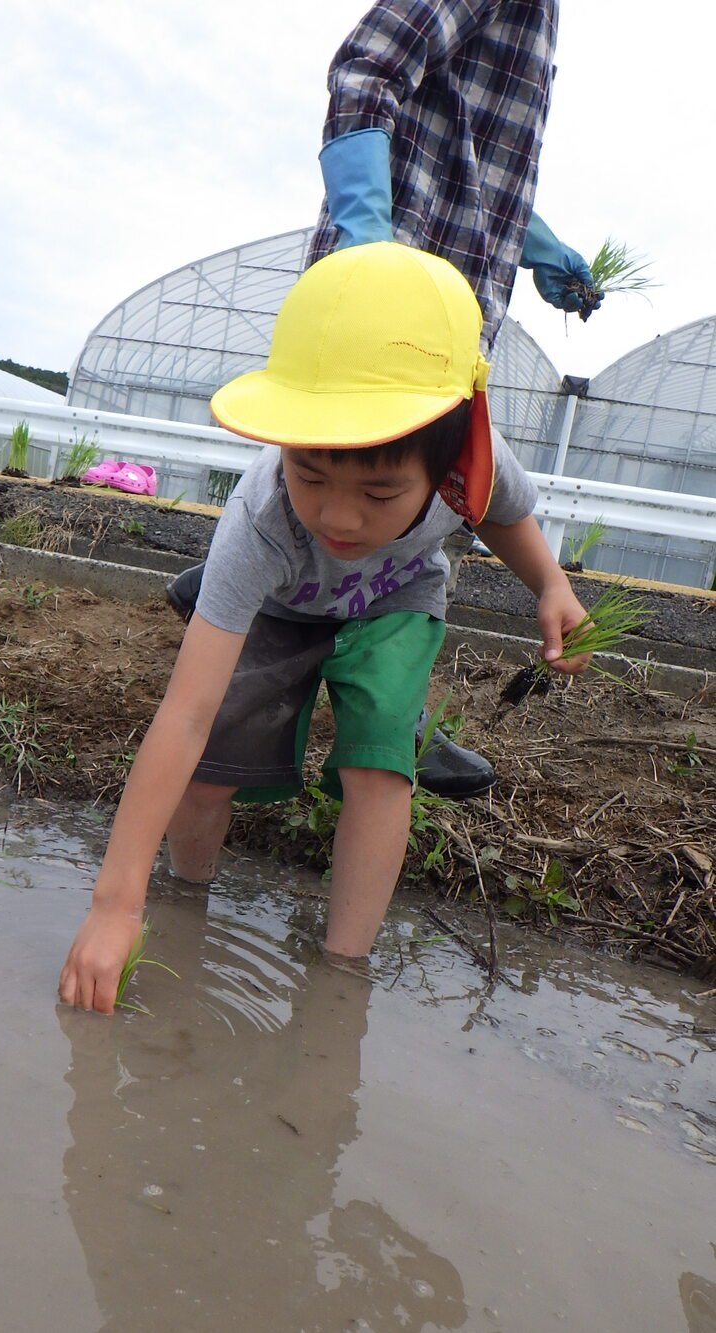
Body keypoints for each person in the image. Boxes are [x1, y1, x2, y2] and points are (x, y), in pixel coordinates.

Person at [59, 242, 592, 1014]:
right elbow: (185, 713)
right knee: (209, 762)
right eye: (311, 475)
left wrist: (550, 582)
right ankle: (185, 905)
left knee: (381, 763)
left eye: (379, 493)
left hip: (396, 594)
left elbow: (504, 512)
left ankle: (343, 977)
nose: (340, 516)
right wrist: (114, 904)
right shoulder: (262, 518)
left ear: (447, 459)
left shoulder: (472, 458)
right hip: (281, 601)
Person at [166, 0, 600, 798]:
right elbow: (366, 69)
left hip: (455, 313)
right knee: (348, 474)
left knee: (424, 487)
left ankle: (388, 713)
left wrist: (540, 249)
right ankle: (249, 597)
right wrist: (369, 238)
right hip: (384, 309)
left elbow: (474, 163)